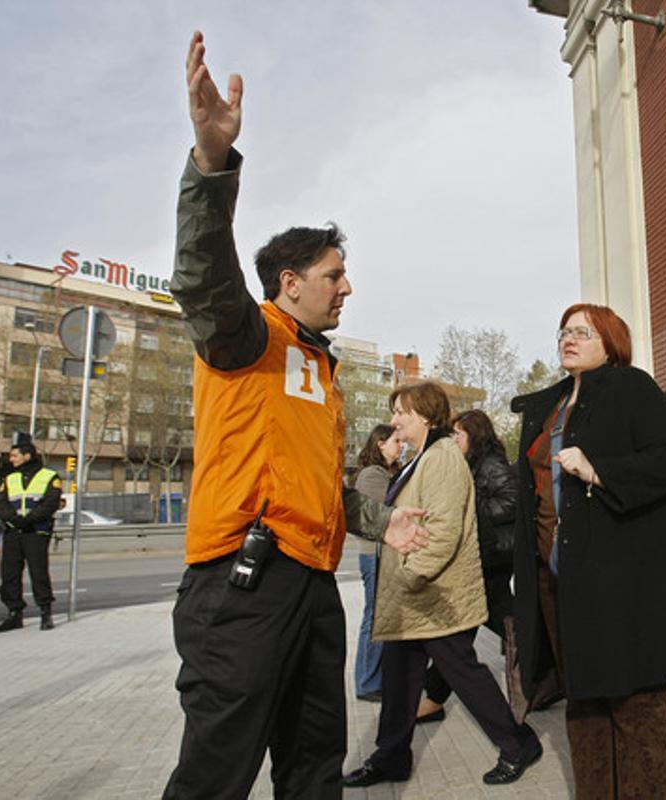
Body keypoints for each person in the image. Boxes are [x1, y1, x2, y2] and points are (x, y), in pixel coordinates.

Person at [164, 32, 427, 799]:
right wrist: (211, 164)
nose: (347, 289)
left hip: (314, 586)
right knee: (217, 773)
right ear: (289, 281)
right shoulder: (244, 337)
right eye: (333, 276)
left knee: (315, 768)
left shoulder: (323, 369)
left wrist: (385, 525)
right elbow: (201, 278)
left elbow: (321, 489)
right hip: (243, 584)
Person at [511, 303, 666, 798]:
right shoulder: (554, 403)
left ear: (611, 342)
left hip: (620, 577)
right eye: (563, 332)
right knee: (586, 703)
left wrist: (599, 470)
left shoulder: (630, 386)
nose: (567, 339)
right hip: (560, 578)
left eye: (582, 332)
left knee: (637, 703)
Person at [344, 382, 541, 788]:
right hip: (413, 598)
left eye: (401, 411)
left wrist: (411, 575)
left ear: (426, 416)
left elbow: (444, 529)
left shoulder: (443, 458)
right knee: (399, 679)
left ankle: (517, 742)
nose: (394, 420)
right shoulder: (423, 457)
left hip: (433, 594)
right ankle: (391, 757)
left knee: (464, 673)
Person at [416, 408, 517, 723]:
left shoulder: (492, 464)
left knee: (462, 633)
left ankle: (433, 699)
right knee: (475, 631)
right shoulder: (467, 465)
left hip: (494, 558)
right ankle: (547, 668)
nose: (453, 439)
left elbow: (512, 501)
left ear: (475, 435)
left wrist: (470, 508)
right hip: (481, 559)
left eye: (458, 433)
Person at [350, 424, 403, 702]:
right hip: (375, 555)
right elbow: (385, 513)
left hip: (385, 555)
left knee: (380, 617)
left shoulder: (388, 473)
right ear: (380, 443)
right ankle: (368, 683)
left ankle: (377, 679)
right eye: (396, 441)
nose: (401, 445)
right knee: (374, 618)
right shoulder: (373, 474)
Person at [0, 441, 61, 633]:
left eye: (15, 455)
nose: (11, 459)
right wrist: (14, 519)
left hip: (36, 532)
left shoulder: (49, 476)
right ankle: (14, 614)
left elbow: (51, 503)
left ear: (27, 455)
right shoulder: (8, 478)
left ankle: (45, 613)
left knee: (38, 573)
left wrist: (29, 519)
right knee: (10, 574)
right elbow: (0, 504)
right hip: (14, 531)